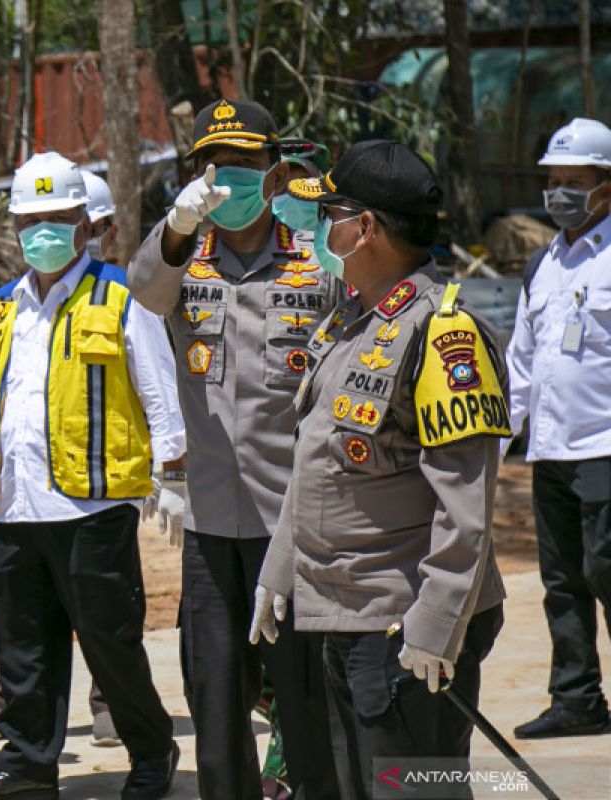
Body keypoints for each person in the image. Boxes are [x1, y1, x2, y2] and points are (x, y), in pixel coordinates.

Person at [252, 139, 508, 798]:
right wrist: (280, 569)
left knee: (415, 791)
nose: (317, 226)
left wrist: (436, 625)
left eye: (330, 210)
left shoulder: (443, 333)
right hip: (343, 613)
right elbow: (316, 460)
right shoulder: (349, 321)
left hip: (404, 626)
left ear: (365, 228)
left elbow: (466, 506)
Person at [126, 99, 341, 799]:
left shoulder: (315, 260)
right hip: (214, 526)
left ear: (274, 173)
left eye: (244, 164)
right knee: (216, 714)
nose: (226, 178)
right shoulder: (184, 259)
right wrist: (177, 224)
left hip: (295, 525)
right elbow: (143, 289)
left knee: (308, 710)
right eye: (212, 165)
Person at [0, 152, 185, 800]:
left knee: (111, 647)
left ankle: (152, 753)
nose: (41, 232)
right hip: (13, 508)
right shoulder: (4, 305)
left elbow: (157, 386)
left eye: (55, 219)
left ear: (83, 224)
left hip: (90, 508)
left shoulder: (123, 293)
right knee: (21, 653)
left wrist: (172, 473)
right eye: (28, 221)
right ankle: (28, 765)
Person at [506, 116, 611, 739]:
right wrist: (495, 447)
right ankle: (577, 700)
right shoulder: (542, 264)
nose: (560, 193)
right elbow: (520, 363)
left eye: (576, 181)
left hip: (606, 446)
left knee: (608, 570)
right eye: (553, 180)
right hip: (549, 452)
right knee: (563, 580)